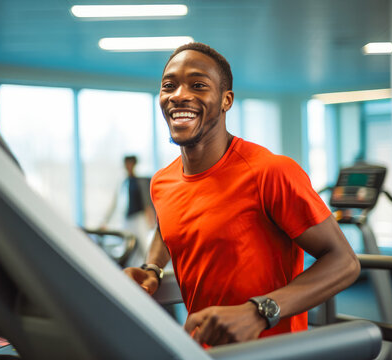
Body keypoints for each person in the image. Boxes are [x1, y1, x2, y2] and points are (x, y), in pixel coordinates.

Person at [124, 42, 360, 346]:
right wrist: (152, 267)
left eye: (198, 85)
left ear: (226, 100)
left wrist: (260, 311)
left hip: (272, 353)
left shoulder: (271, 172)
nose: (179, 95)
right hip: (201, 351)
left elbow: (344, 262)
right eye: (169, 86)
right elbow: (166, 226)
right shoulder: (162, 182)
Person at [101, 155, 155, 266]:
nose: (128, 166)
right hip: (127, 219)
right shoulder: (123, 182)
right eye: (126, 164)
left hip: (139, 218)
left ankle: (150, 269)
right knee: (128, 247)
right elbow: (114, 204)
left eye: (130, 164)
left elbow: (147, 202)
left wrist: (151, 220)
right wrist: (105, 221)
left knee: (144, 247)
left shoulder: (140, 181)